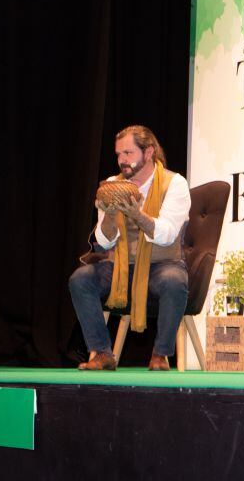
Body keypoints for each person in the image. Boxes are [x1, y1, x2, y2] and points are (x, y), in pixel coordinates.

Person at [68, 125, 192, 371]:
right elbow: (103, 242)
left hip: (161, 264)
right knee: (81, 279)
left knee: (174, 281)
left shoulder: (174, 183)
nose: (122, 160)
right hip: (121, 266)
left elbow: (167, 234)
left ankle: (160, 355)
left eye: (128, 153)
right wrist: (112, 215)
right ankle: (102, 353)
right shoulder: (113, 184)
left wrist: (137, 214)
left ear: (148, 152)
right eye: (118, 155)